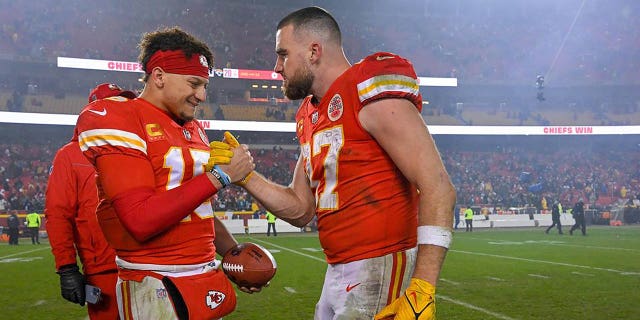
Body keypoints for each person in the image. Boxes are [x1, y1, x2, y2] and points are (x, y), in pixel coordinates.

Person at [214, 7, 455, 319]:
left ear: (314, 51)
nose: (276, 67)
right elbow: (301, 209)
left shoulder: (366, 88)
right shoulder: (308, 114)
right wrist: (246, 176)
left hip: (380, 263)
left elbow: (438, 187)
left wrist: (423, 287)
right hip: (339, 268)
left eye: (283, 54)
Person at [74, 26, 256, 320]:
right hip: (154, 280)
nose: (201, 95)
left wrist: (234, 254)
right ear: (158, 76)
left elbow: (196, 207)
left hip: (205, 273)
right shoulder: (122, 118)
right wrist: (220, 176)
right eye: (194, 83)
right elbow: (140, 220)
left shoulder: (195, 128)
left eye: (205, 85)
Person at [44, 83, 136, 319]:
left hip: (147, 265)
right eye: (116, 105)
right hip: (104, 270)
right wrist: (66, 268)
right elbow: (57, 214)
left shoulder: (138, 148)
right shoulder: (70, 155)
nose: (126, 110)